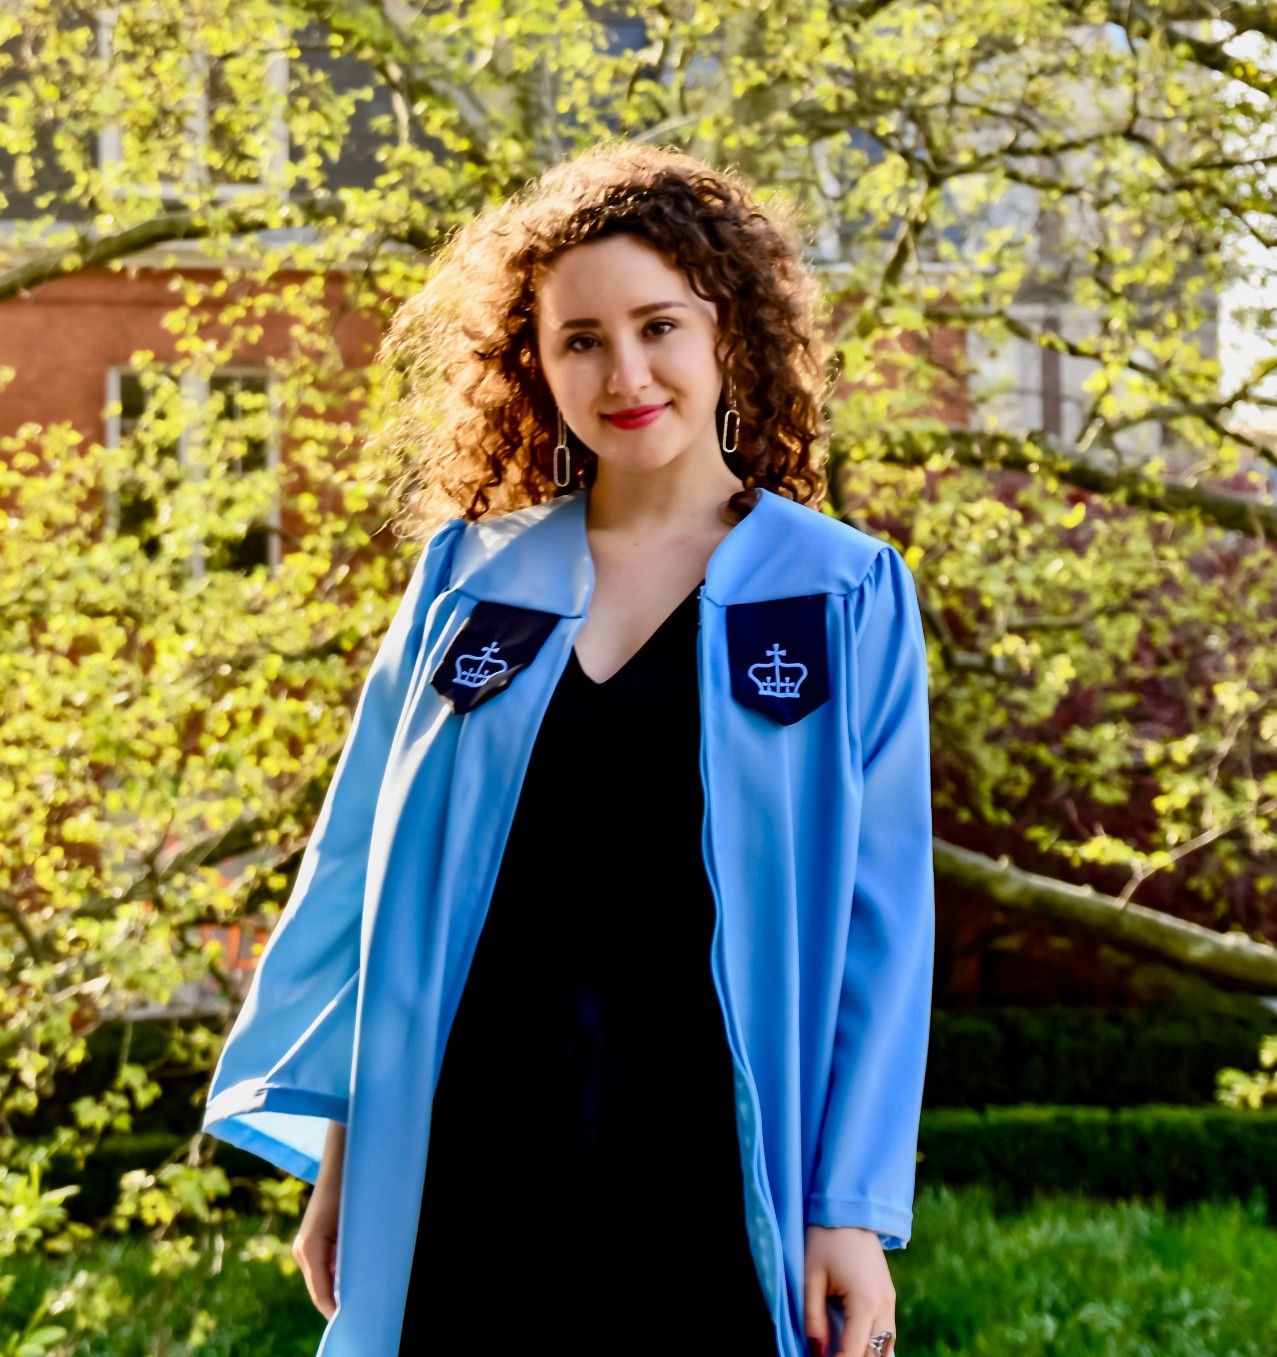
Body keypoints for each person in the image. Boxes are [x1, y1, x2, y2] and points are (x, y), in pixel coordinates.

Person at [202, 143, 935, 1357]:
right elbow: (361, 878)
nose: (625, 372)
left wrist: (844, 1210)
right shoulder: (469, 579)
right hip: (471, 1147)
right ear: (531, 362)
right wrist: (348, 1148)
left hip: (711, 1156)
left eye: (659, 326)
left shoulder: (837, 590)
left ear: (726, 336)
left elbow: (881, 924)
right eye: (579, 338)